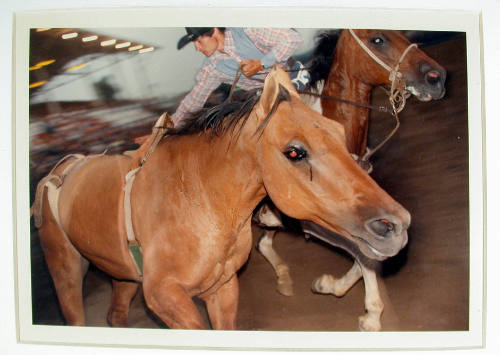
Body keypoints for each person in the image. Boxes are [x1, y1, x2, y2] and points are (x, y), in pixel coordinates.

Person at [172, 27, 310, 126]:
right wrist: (167, 126)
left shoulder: (248, 30)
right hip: (267, 100)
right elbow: (194, 100)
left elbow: (292, 39)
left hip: (295, 81)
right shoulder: (212, 68)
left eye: (199, 41)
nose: (196, 48)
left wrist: (262, 64)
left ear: (214, 31)